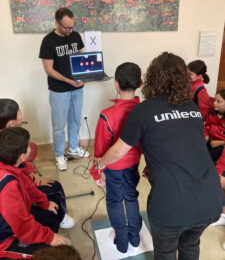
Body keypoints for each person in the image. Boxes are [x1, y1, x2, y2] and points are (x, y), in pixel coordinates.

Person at [95, 52, 223, 260]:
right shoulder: (192, 108)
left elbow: (118, 151)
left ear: (151, 79)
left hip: (171, 205)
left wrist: (99, 163)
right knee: (191, 244)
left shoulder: (143, 111)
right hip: (210, 200)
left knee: (165, 252)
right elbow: (183, 146)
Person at [90, 62, 142, 253]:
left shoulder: (106, 115)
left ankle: (122, 241)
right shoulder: (144, 112)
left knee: (114, 201)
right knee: (131, 197)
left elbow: (100, 152)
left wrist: (96, 173)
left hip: (113, 168)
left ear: (116, 84)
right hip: (134, 165)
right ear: (140, 83)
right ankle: (135, 237)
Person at [0, 98, 75, 231]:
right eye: (19, 113)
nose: (21, 115)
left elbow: (22, 163)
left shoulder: (11, 140)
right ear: (11, 123)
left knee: (49, 189)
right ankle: (58, 219)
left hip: (22, 182)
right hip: (14, 197)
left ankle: (59, 214)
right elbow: (15, 180)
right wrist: (33, 183)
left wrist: (32, 172)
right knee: (54, 187)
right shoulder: (7, 152)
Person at [0, 127, 67, 259]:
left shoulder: (12, 165)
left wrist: (45, 203)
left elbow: (28, 187)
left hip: (16, 218)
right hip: (5, 239)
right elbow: (22, 225)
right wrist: (49, 237)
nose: (31, 147)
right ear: (22, 156)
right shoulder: (7, 187)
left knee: (51, 213)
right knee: (50, 254)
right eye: (28, 146)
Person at [39, 7, 89, 171]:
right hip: (59, 90)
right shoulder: (48, 41)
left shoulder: (75, 36)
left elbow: (81, 58)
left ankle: (73, 147)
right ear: (57, 23)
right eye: (66, 27)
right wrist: (68, 80)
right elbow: (49, 70)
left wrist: (85, 76)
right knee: (59, 126)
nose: (70, 30)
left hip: (77, 88)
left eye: (72, 26)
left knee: (75, 120)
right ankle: (60, 154)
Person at [204, 89, 225, 226]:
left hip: (220, 148)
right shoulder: (212, 114)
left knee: (218, 177)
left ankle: (221, 212)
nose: (214, 103)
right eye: (214, 100)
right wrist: (205, 134)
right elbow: (207, 126)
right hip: (212, 143)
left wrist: (220, 142)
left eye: (219, 101)